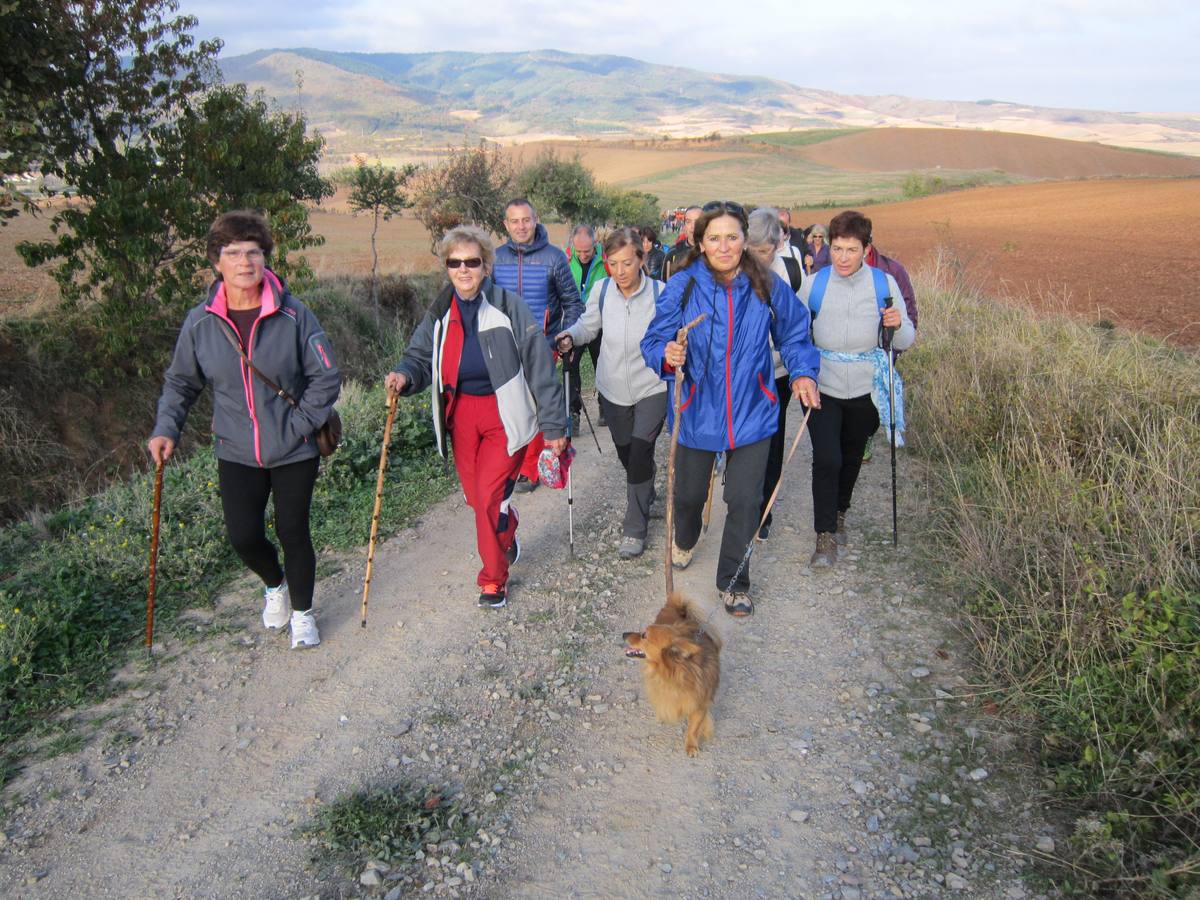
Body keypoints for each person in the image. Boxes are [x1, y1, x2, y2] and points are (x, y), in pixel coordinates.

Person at [148, 210, 340, 650]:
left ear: (266, 258)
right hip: (236, 449)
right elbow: (181, 382)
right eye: (232, 253)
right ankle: (275, 585)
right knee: (243, 536)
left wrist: (297, 426)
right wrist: (166, 429)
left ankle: (304, 614)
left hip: (294, 447)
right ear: (217, 261)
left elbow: (326, 377)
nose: (244, 262)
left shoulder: (295, 315)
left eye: (253, 251)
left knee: (294, 531)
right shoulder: (201, 322)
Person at [641, 201, 820, 617]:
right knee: (687, 497)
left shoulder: (767, 286)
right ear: (700, 242)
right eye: (715, 238)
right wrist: (668, 355)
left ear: (745, 240)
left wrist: (803, 373)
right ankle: (684, 538)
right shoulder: (683, 286)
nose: (724, 246)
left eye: (732, 237)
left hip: (753, 411)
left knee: (744, 500)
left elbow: (795, 333)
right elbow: (654, 341)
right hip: (695, 410)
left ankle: (734, 581)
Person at [385, 225, 567, 609]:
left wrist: (553, 427)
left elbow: (540, 367)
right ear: (447, 267)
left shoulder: (508, 306)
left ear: (486, 266)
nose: (463, 270)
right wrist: (404, 375)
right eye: (455, 262)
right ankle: (508, 524)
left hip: (505, 415)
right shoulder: (440, 312)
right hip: (460, 415)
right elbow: (418, 357)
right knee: (476, 499)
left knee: (486, 500)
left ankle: (492, 580)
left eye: (472, 262)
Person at [799, 210, 914, 568]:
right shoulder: (813, 284)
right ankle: (825, 535)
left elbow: (906, 339)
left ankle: (841, 511)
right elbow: (795, 334)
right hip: (823, 384)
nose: (842, 258)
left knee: (851, 457)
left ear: (867, 248)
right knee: (827, 458)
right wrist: (798, 373)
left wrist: (898, 324)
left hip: (868, 387)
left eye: (851, 250)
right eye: (836, 249)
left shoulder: (884, 285)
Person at [555, 227, 668, 559]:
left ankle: (635, 529)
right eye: (613, 264)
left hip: (653, 386)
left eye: (627, 263)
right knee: (627, 453)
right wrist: (570, 336)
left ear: (641, 259)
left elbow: (673, 333)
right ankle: (646, 483)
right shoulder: (603, 291)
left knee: (640, 452)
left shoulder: (661, 293)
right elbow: (589, 325)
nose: (621, 271)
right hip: (612, 387)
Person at [492, 199, 582, 493]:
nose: (521, 226)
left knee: (537, 405)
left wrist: (563, 336)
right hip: (503, 346)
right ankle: (510, 463)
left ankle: (530, 470)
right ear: (505, 225)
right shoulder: (495, 259)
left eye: (526, 220)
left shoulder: (555, 258)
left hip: (542, 344)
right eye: (514, 221)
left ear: (536, 220)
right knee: (508, 406)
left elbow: (572, 302)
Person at [746, 207, 805, 540]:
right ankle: (742, 498)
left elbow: (799, 326)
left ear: (777, 245)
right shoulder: (732, 272)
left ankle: (762, 512)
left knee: (772, 441)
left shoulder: (790, 274)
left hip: (777, 373)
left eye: (764, 251)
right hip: (740, 372)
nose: (758, 258)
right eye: (751, 251)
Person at [564, 224, 607, 424]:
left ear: (595, 244)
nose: (582, 255)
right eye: (578, 251)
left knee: (604, 364)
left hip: (600, 323)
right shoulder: (564, 260)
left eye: (587, 251)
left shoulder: (606, 261)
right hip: (575, 323)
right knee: (571, 365)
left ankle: (605, 406)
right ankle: (574, 411)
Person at [661, 205, 701, 281]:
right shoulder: (673, 253)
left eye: (697, 222)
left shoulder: (713, 253)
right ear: (684, 225)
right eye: (688, 222)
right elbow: (664, 285)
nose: (693, 226)